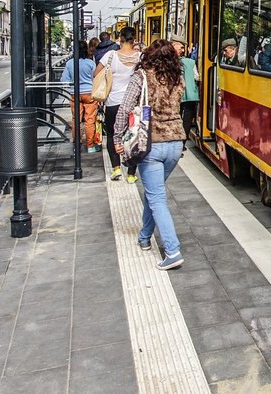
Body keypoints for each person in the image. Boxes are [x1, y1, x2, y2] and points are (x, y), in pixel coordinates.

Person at [114, 39, 186, 271]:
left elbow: (125, 109)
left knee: (156, 198)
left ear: (150, 55)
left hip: (150, 144)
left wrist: (117, 138)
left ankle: (172, 251)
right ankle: (145, 237)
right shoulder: (178, 77)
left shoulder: (142, 76)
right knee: (154, 194)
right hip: (175, 143)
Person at [95, 27, 142, 181]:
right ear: (134, 40)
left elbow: (96, 73)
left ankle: (116, 168)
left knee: (111, 134)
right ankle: (131, 174)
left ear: (120, 39)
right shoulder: (140, 57)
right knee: (134, 136)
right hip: (134, 104)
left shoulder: (110, 56)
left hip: (113, 102)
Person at [61, 40, 99, 152]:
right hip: (89, 94)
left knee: (76, 119)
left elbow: (64, 80)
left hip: (75, 93)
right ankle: (90, 146)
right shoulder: (91, 63)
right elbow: (95, 79)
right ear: (86, 50)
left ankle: (77, 144)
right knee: (90, 120)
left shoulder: (70, 63)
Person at [169, 34, 200, 147]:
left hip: (176, 95)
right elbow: (197, 77)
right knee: (187, 119)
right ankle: (182, 144)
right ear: (174, 45)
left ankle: (175, 141)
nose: (183, 50)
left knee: (176, 118)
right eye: (181, 47)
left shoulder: (169, 62)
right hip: (190, 95)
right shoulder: (190, 62)